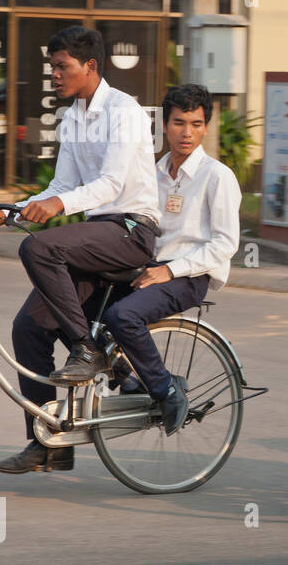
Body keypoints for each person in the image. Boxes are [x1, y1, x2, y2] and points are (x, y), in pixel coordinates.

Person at [0, 26, 160, 475]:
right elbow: (61, 186)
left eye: (62, 67)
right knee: (27, 328)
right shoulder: (73, 117)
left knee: (39, 249)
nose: (55, 75)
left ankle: (87, 349)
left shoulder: (125, 111)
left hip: (132, 230)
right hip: (96, 235)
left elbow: (112, 185)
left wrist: (58, 205)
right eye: (52, 67)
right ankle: (49, 444)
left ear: (90, 66)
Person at [100, 84, 242, 434]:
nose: (187, 133)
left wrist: (170, 270)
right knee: (73, 305)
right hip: (147, 268)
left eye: (196, 124)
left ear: (206, 126)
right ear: (165, 124)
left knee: (122, 315)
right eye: (179, 123)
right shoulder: (152, 172)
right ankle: (130, 379)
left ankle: (166, 390)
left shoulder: (217, 177)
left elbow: (225, 244)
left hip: (189, 275)